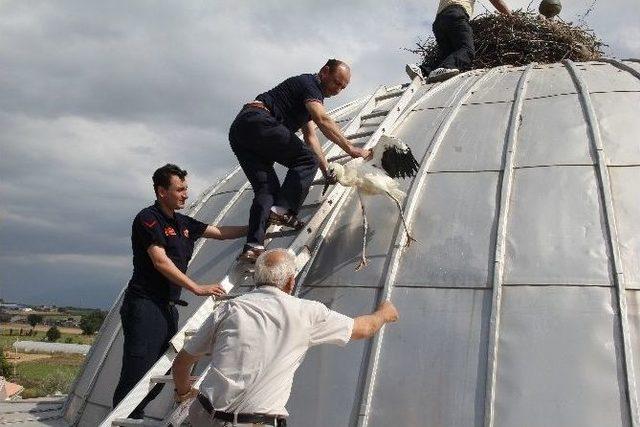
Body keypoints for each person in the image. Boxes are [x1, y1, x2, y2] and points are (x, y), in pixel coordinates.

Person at [172, 248, 400, 426]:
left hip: (204, 417)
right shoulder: (307, 313)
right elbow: (363, 328)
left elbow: (181, 363)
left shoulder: (229, 308)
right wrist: (384, 314)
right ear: (291, 282)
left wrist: (183, 393)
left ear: (255, 278)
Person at [112, 163, 247, 419]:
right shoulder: (148, 219)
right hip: (145, 305)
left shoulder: (183, 222)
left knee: (158, 374)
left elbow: (219, 232)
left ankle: (135, 417)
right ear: (162, 191)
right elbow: (160, 261)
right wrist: (196, 287)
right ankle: (123, 420)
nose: (186, 194)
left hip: (167, 308)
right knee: (137, 373)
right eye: (180, 189)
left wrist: (255, 228)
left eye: (186, 189)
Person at [229, 59, 370, 262]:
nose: (338, 90)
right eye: (336, 82)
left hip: (242, 130)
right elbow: (322, 120)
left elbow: (310, 137)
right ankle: (283, 211)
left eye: (342, 87)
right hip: (259, 120)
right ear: (324, 71)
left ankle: (253, 246)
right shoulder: (310, 85)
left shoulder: (307, 100)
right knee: (306, 159)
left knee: (267, 190)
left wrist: (324, 168)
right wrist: (351, 148)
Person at [406, 0, 511, 83]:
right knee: (467, 50)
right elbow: (496, 1)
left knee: (446, 55)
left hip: (439, 22)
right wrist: (510, 16)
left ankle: (422, 70)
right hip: (456, 14)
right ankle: (446, 67)